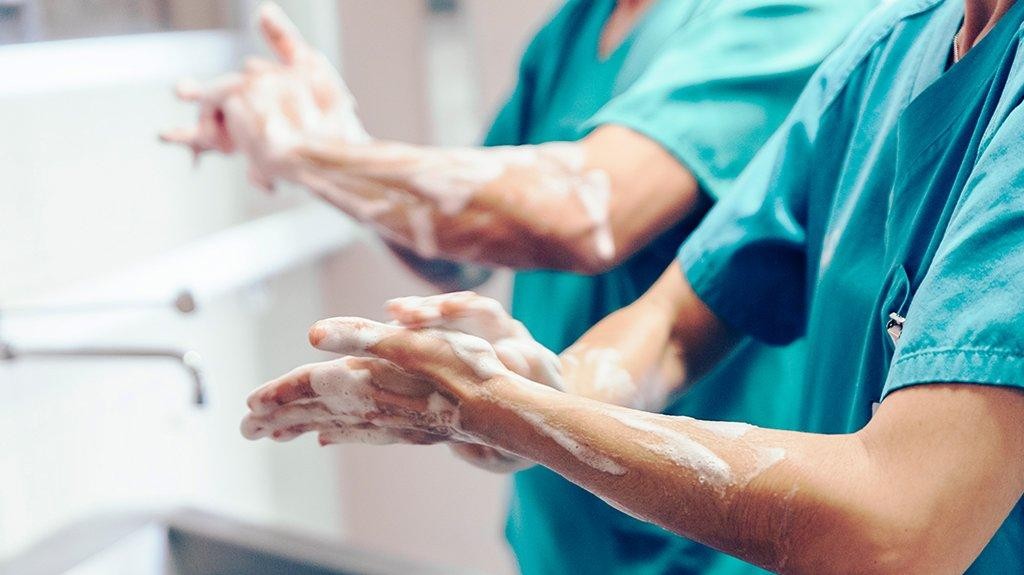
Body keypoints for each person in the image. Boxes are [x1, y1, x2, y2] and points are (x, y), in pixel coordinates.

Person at [241, 0, 1024, 572]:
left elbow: (896, 529)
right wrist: (549, 382)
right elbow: (679, 317)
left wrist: (517, 411)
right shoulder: (889, 51)